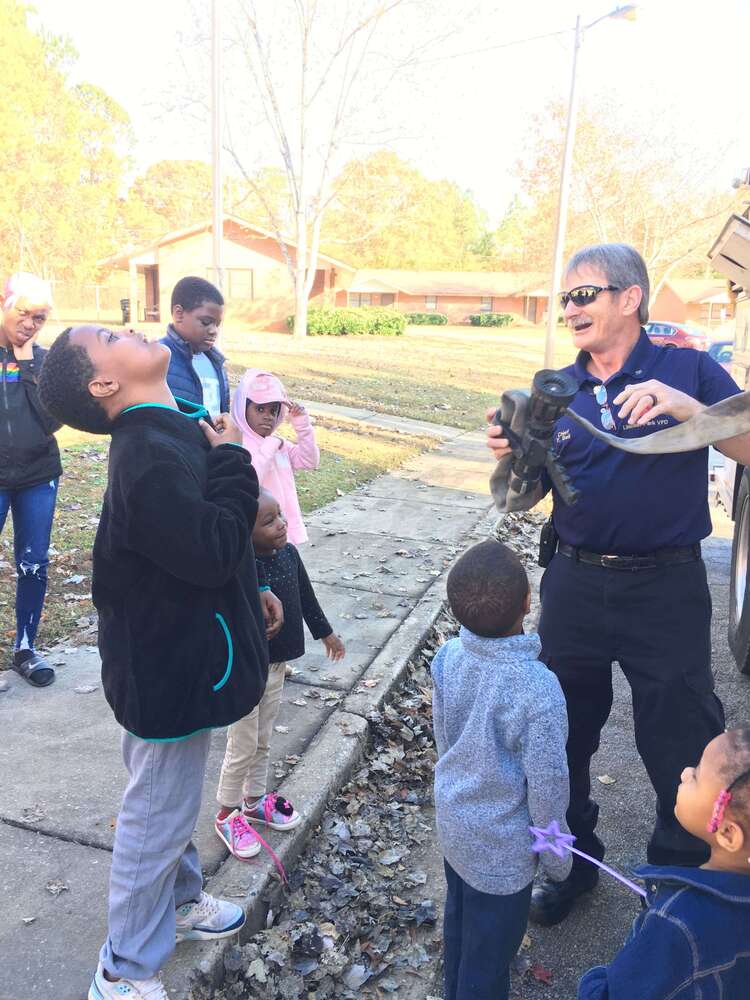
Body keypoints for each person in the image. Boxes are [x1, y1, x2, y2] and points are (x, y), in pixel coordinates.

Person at [486, 242, 750, 927]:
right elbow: (525, 495)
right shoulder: (558, 389)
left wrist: (689, 407)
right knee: (556, 736)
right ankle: (568, 864)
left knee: (682, 739)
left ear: (629, 298)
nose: (569, 309)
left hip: (666, 586)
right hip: (574, 581)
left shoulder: (688, 366)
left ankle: (683, 882)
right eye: (564, 299)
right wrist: (514, 458)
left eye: (584, 295)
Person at [37, 324, 277, 1000]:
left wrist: (249, 589)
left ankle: (178, 903)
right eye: (113, 335)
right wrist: (234, 458)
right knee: (158, 813)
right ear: (103, 384)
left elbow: (198, 547)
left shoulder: (169, 429)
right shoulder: (145, 454)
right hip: (165, 666)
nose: (135, 328)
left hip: (182, 649)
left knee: (170, 797)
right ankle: (123, 970)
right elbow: (208, 544)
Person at [431, 539, 571, 1000]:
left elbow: (443, 737)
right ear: (528, 602)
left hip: (455, 829)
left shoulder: (448, 657)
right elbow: (548, 787)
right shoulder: (539, 690)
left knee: (461, 928)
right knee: (489, 964)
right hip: (503, 855)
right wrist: (556, 857)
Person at [214, 489, 344, 859]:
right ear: (244, 532)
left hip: (275, 666)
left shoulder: (289, 554)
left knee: (263, 738)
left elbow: (305, 596)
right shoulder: (241, 568)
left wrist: (326, 632)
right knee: (242, 744)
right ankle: (226, 813)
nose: (282, 525)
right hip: (246, 669)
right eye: (268, 521)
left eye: (281, 516)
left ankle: (254, 801)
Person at [578, 728, 750, 998]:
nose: (684, 772)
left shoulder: (675, 923)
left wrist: (594, 982)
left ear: (728, 833)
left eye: (695, 774)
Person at [0, 272, 59, 687]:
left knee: (33, 563)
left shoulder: (44, 360)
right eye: (24, 313)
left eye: (39, 318)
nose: (30, 324)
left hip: (38, 475)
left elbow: (53, 419)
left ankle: (26, 647)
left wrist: (26, 362)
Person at [230, 369, 320, 544]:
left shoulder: (279, 444)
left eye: (273, 411)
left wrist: (302, 425)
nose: (267, 417)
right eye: (260, 409)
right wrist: (271, 446)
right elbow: (252, 478)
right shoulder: (239, 443)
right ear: (243, 408)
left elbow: (310, 461)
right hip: (259, 535)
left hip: (284, 528)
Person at [160, 276, 229, 417]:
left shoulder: (217, 362)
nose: (214, 330)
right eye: (206, 322)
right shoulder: (157, 357)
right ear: (178, 314)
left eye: (217, 324)